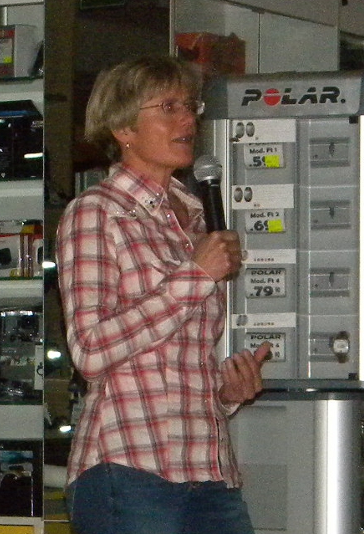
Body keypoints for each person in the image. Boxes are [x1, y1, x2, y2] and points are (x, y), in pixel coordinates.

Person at [55, 55, 271, 534]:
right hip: (129, 470)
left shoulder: (197, 219)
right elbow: (90, 349)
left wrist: (227, 393)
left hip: (211, 470)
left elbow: (176, 362)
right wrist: (196, 275)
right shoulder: (97, 212)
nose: (188, 120)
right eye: (169, 108)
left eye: (191, 106)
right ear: (123, 128)